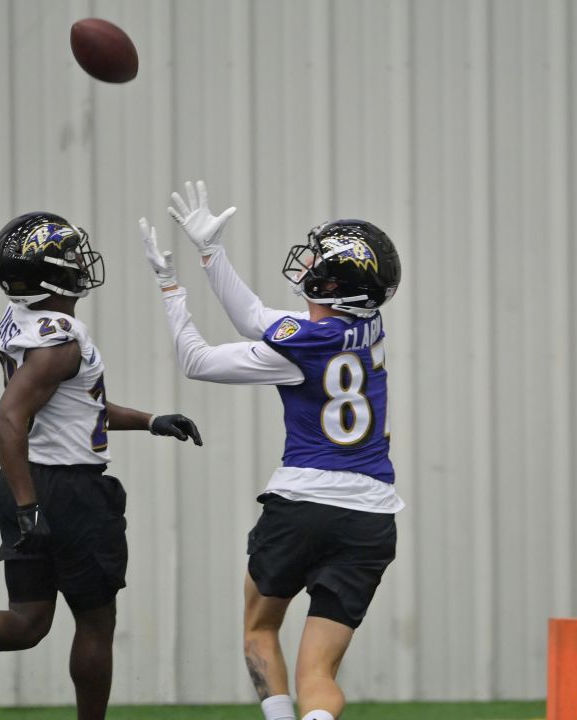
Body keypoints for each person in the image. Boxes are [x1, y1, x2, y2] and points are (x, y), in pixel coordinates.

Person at [0, 212, 203, 718]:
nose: (80, 263)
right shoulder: (63, 341)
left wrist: (151, 420)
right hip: (66, 492)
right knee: (96, 625)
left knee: (28, 621)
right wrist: (33, 508)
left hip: (21, 479)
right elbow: (7, 417)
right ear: (48, 275)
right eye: (70, 256)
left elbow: (71, 407)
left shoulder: (26, 326)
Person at [136, 181, 402, 720]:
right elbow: (259, 316)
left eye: (316, 260)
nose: (306, 264)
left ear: (332, 284)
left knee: (259, 629)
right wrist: (211, 255)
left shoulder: (296, 349)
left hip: (302, 500)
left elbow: (199, 361)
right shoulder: (369, 328)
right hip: (373, 512)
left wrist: (171, 288)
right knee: (319, 674)